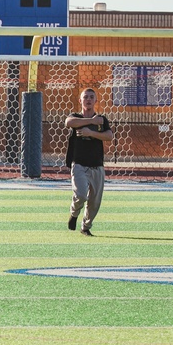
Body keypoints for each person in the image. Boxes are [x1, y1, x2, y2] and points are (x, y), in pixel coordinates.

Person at [65, 88, 114, 236]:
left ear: (96, 100)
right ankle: (74, 214)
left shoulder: (101, 119)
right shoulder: (76, 117)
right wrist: (90, 122)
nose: (88, 99)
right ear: (80, 100)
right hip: (79, 164)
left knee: (94, 203)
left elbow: (109, 136)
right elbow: (68, 122)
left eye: (92, 97)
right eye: (85, 97)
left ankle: (85, 227)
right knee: (81, 194)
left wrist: (91, 132)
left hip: (97, 165)